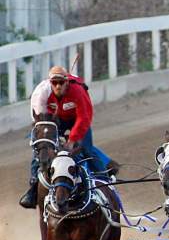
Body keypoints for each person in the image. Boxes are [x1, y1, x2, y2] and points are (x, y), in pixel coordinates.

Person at [20, 65, 116, 209]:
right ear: (49, 83)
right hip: (54, 121)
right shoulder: (42, 93)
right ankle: (33, 189)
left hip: (78, 120)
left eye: (61, 83)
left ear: (67, 82)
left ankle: (105, 182)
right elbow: (40, 119)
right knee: (42, 150)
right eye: (54, 83)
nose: (58, 86)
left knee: (85, 149)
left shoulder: (77, 91)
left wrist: (72, 139)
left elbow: (84, 117)